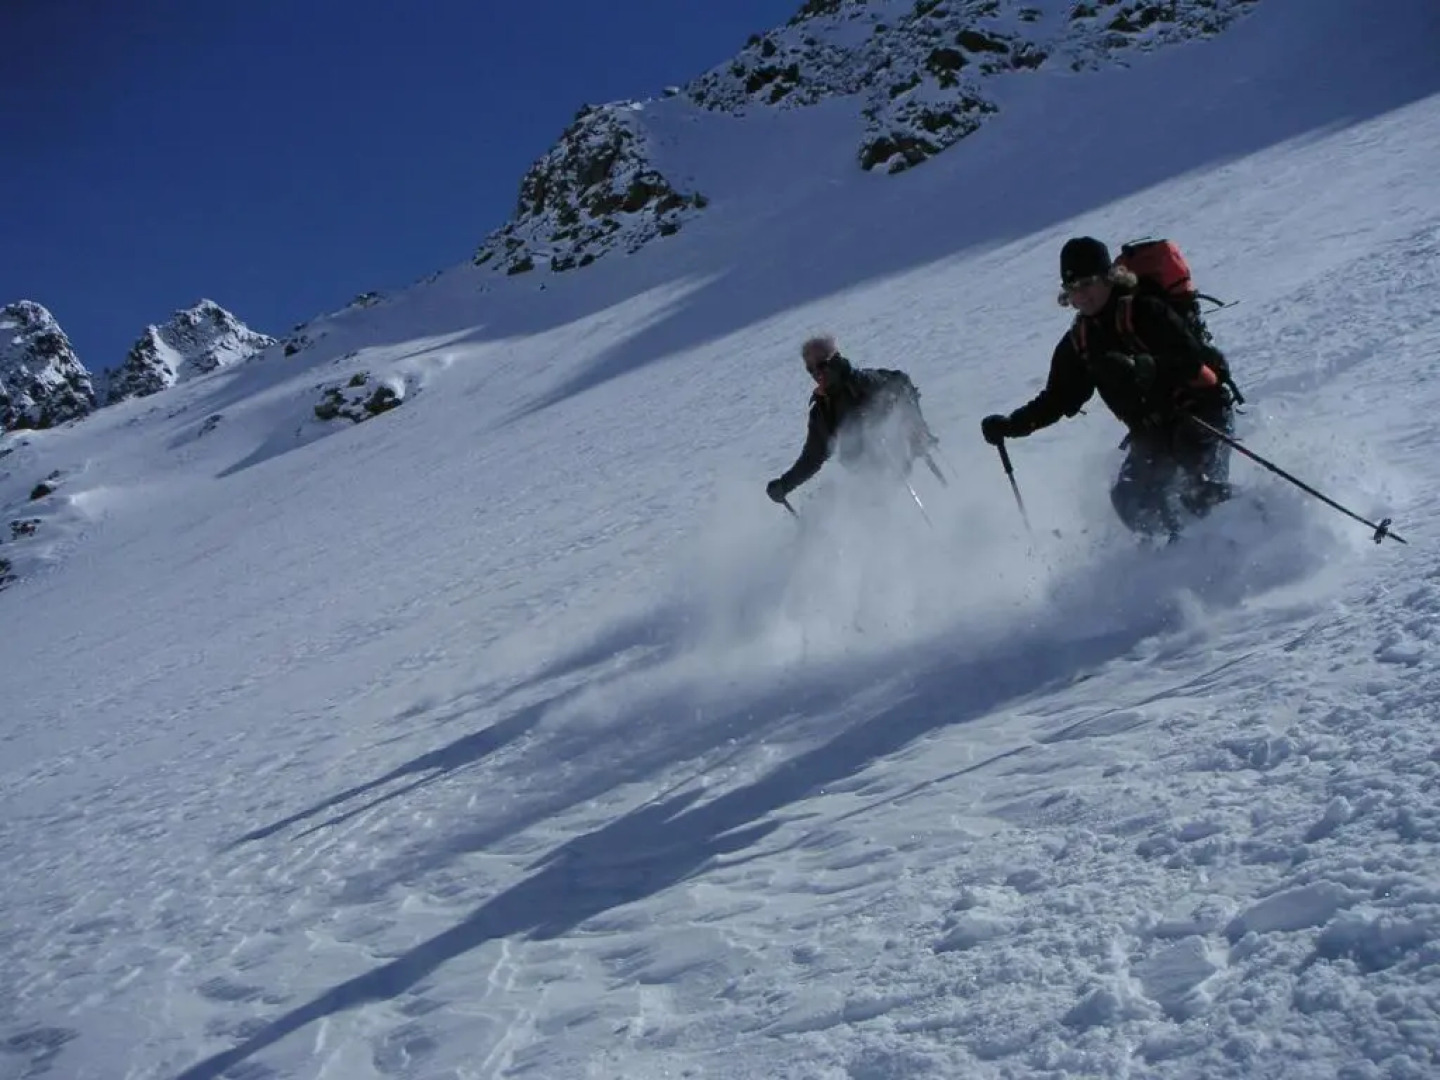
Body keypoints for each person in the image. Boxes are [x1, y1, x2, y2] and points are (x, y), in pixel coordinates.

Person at [979, 236, 1235, 541]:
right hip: (1153, 433)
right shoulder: (1080, 341)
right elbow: (1057, 399)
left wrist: (1146, 367)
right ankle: (1186, 551)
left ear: (1108, 277)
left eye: (1087, 283)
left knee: (1197, 491)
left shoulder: (1146, 311)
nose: (1081, 295)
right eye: (1073, 289)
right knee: (1132, 504)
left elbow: (1196, 367)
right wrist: (1012, 425)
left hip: (1199, 416)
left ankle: (1254, 523)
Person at [766, 334, 938, 505]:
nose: (816, 374)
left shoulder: (862, 382)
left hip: (897, 464)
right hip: (865, 479)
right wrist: (785, 484)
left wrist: (917, 427)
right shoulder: (822, 410)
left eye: (821, 365)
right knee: (824, 503)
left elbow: (901, 383)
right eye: (810, 369)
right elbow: (813, 456)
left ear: (835, 360)